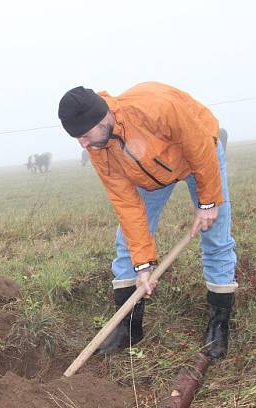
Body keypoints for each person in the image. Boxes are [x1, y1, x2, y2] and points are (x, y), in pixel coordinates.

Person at [58, 82, 237, 359]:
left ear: (102, 116)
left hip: (200, 154)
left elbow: (200, 148)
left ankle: (219, 324)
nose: (83, 143)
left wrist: (208, 202)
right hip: (149, 174)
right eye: (77, 138)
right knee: (126, 245)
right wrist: (143, 265)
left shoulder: (156, 106)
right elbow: (126, 205)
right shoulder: (98, 147)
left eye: (84, 134)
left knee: (215, 238)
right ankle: (129, 328)